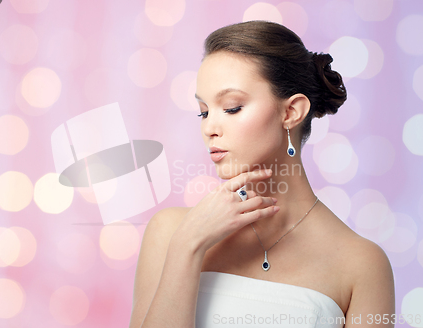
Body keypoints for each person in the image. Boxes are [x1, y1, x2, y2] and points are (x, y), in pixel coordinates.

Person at [129, 20, 395, 328]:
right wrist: (188, 246)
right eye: (203, 112)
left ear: (291, 112)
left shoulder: (362, 265)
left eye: (231, 108)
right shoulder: (172, 232)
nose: (209, 128)